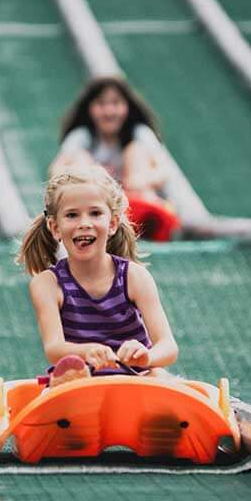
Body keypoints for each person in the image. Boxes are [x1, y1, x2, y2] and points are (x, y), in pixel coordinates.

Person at [17, 166, 178, 387]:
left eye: (95, 213)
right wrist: (88, 351)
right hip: (80, 379)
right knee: (60, 384)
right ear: (55, 227)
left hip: (135, 378)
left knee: (160, 378)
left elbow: (168, 346)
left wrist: (146, 356)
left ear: (112, 223)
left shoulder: (133, 277)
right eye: (72, 215)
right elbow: (54, 348)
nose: (84, 223)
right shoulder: (48, 283)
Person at [50, 76, 180, 241]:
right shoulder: (84, 136)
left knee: (136, 151)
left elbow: (163, 169)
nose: (109, 111)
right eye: (101, 104)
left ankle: (143, 210)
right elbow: (56, 169)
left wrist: (138, 182)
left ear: (127, 107)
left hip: (135, 200)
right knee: (81, 158)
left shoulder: (138, 133)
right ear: (90, 108)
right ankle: (90, 209)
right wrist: (97, 175)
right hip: (98, 201)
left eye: (116, 104)